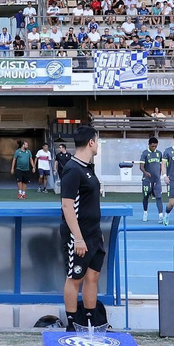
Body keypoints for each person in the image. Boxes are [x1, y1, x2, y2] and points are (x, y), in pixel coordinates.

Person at [59, 127, 106, 329]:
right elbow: (67, 205)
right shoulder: (72, 169)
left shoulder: (88, 168)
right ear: (90, 143)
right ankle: (71, 323)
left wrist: (97, 233)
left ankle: (90, 320)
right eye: (97, 140)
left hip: (94, 234)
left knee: (92, 276)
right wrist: (78, 237)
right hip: (79, 235)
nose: (98, 144)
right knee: (75, 277)